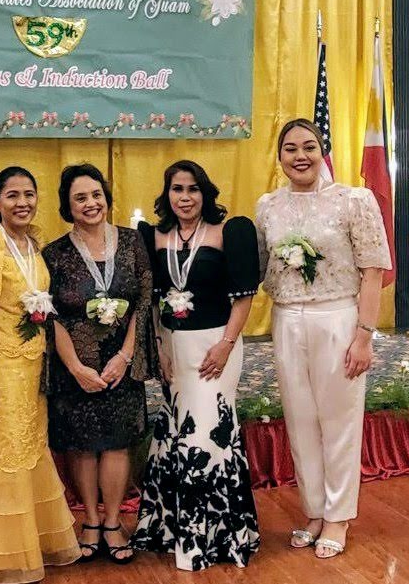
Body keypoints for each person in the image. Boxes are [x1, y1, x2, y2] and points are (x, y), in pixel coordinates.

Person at [256, 118, 391, 559]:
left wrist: (364, 336)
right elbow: (258, 270)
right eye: (291, 148)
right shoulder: (268, 207)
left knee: (339, 421)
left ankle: (338, 516)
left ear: (322, 150)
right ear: (279, 158)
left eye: (309, 147)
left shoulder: (353, 200)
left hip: (337, 317)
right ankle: (313, 510)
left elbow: (373, 270)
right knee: (299, 419)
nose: (300, 156)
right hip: (286, 319)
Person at [131, 159, 261, 571]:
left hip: (216, 346)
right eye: (177, 189)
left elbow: (243, 297)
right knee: (176, 434)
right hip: (173, 348)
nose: (184, 197)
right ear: (166, 194)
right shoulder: (152, 236)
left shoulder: (229, 231)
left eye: (192, 189)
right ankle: (175, 530)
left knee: (206, 436)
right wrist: (158, 345)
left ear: (205, 193)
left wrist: (226, 344)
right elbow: (149, 299)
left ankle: (212, 538)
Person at [0, 166, 80, 583]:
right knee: (3, 454)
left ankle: (34, 543)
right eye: (12, 195)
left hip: (31, 366)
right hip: (1, 366)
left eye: (29, 194)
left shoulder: (29, 243)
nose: (22, 202)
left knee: (28, 448)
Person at [42, 163, 157, 565]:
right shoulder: (54, 254)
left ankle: (112, 522)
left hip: (120, 364)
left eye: (96, 195)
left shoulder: (131, 241)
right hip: (76, 366)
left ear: (106, 197)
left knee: (117, 443)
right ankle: (89, 520)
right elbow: (50, 313)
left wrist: (126, 356)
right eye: (80, 198)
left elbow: (144, 300)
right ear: (67, 206)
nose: (91, 204)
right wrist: (75, 367)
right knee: (82, 445)